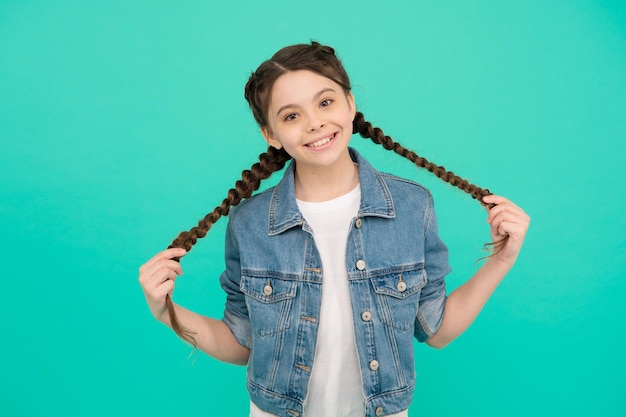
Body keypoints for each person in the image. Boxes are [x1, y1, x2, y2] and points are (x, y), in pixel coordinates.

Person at [138, 41, 530, 417]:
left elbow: (437, 329)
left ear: (350, 104)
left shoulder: (412, 207)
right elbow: (241, 343)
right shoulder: (249, 223)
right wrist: (166, 312)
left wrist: (501, 261)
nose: (315, 123)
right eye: (291, 115)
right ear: (270, 135)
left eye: (325, 102)